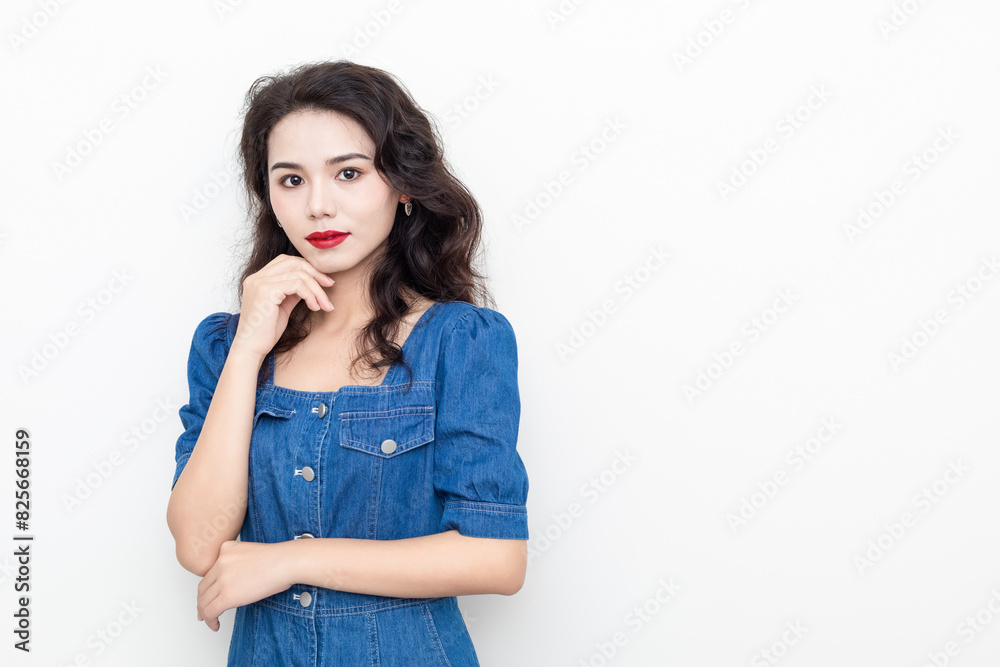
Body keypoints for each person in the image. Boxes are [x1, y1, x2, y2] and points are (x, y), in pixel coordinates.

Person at [165, 60, 530, 666]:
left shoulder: (460, 341)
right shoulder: (223, 348)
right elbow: (201, 548)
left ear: (403, 184)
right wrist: (249, 348)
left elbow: (496, 558)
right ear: (269, 200)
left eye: (349, 173)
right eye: (290, 181)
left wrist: (294, 558)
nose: (318, 206)